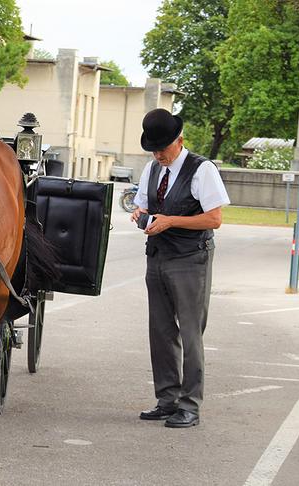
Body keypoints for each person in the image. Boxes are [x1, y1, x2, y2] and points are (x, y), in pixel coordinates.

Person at [130, 108, 230, 428]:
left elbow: (214, 219)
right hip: (157, 256)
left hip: (191, 259)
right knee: (160, 331)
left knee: (190, 333)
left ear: (180, 140)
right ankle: (167, 399)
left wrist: (171, 221)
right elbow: (145, 205)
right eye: (154, 149)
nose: (158, 154)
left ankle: (190, 405)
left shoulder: (202, 170)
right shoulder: (152, 169)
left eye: (163, 148)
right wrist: (141, 215)